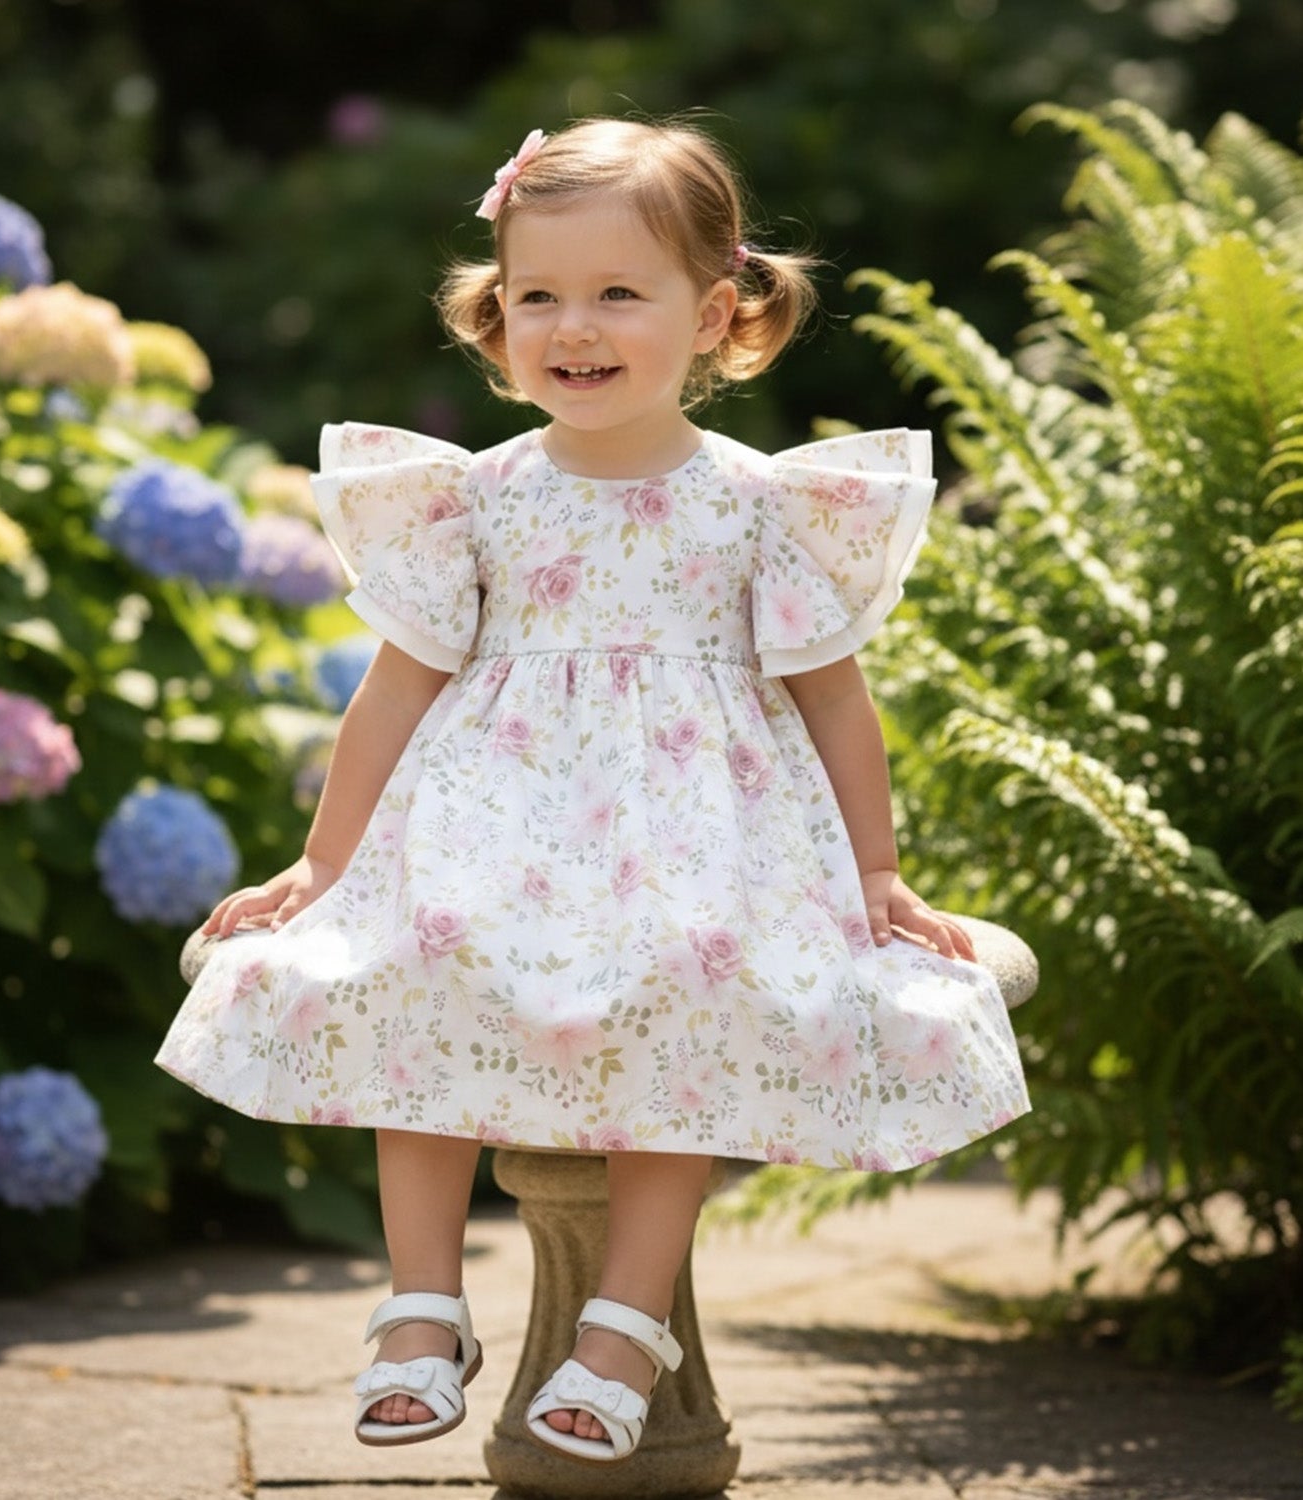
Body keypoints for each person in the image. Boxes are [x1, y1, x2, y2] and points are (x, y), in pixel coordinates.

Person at [156, 117, 1031, 1465]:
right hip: (491, 835)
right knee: (407, 959)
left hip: (697, 847)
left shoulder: (756, 506)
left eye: (621, 291)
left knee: (697, 981)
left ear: (716, 313)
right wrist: (324, 870)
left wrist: (873, 879)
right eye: (538, 295)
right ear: (496, 316)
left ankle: (626, 1320)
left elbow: (834, 699)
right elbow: (392, 692)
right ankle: (422, 1302)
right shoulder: (477, 500)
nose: (575, 325)